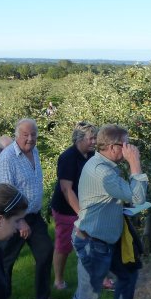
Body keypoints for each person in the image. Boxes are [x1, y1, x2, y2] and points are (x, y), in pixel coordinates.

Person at [61, 124, 148, 299]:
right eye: (126, 144)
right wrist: (135, 164)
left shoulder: (101, 163)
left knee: (128, 276)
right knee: (87, 296)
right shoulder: (105, 172)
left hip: (105, 238)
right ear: (112, 147)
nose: (130, 148)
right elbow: (138, 196)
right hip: (94, 243)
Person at [0, 118, 58, 299]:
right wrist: (19, 220)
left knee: (46, 252)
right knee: (6, 260)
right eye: (25, 135)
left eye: (33, 134)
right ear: (17, 135)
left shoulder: (35, 151)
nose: (30, 138)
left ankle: (43, 297)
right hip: (13, 218)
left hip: (34, 216)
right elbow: (6, 192)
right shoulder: (7, 157)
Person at [51, 122, 97, 290]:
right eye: (91, 138)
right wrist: (81, 214)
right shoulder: (68, 157)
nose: (94, 141)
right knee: (64, 245)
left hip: (85, 205)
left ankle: (95, 277)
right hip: (66, 208)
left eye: (95, 137)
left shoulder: (91, 155)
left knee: (91, 242)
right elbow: (66, 189)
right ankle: (58, 280)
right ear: (79, 139)